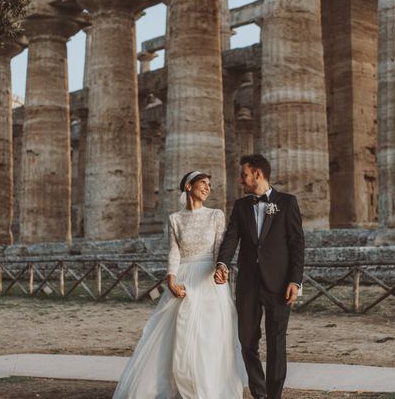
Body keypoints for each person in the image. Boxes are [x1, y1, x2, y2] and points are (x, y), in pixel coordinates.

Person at [113, 170, 246, 399]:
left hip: (209, 278)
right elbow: (174, 252)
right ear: (188, 186)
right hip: (184, 277)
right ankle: (179, 385)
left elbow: (218, 250)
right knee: (177, 334)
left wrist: (222, 270)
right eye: (202, 183)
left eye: (208, 184)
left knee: (209, 334)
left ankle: (208, 388)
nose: (207, 187)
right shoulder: (175, 218)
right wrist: (171, 278)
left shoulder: (216, 215)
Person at [215, 154, 305, 399]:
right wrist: (222, 263)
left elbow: (297, 244)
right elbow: (231, 238)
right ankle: (259, 392)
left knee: (277, 344)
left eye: (243, 174)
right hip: (248, 284)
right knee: (246, 341)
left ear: (257, 174)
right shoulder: (241, 206)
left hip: (280, 284)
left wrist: (295, 281)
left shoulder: (287, 202)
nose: (240, 179)